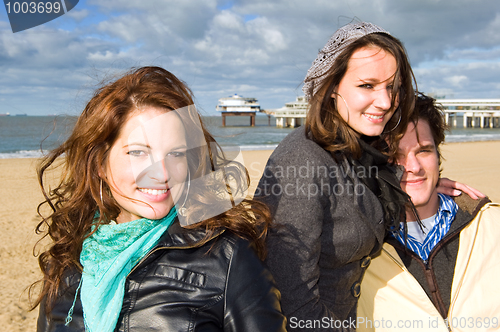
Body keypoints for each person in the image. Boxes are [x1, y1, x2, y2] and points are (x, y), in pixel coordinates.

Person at [254, 22, 477, 331]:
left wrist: (425, 183)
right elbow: (291, 295)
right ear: (332, 86)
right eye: (367, 85)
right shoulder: (303, 158)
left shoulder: (360, 152)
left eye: (392, 87)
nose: (385, 102)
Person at [31, 66, 287, 332]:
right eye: (139, 153)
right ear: (99, 163)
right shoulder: (67, 261)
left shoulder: (227, 257)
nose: (162, 174)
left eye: (175, 154)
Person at [357, 94, 500, 332]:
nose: (414, 167)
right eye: (396, 157)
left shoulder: (491, 225)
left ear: (437, 154)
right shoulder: (356, 248)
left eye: (423, 151)